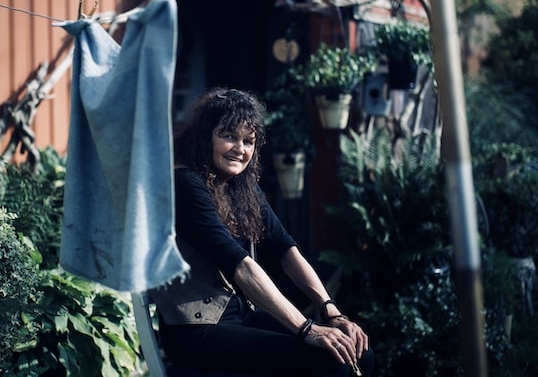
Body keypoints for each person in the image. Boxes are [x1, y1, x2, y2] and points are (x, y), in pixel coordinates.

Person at [150, 88, 374, 376]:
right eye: (228, 135)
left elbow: (285, 249)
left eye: (248, 141)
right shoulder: (185, 184)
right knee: (331, 363)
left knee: (360, 354)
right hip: (195, 331)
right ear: (205, 136)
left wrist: (330, 311)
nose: (239, 148)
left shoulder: (242, 187)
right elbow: (240, 266)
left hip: (241, 318)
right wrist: (306, 328)